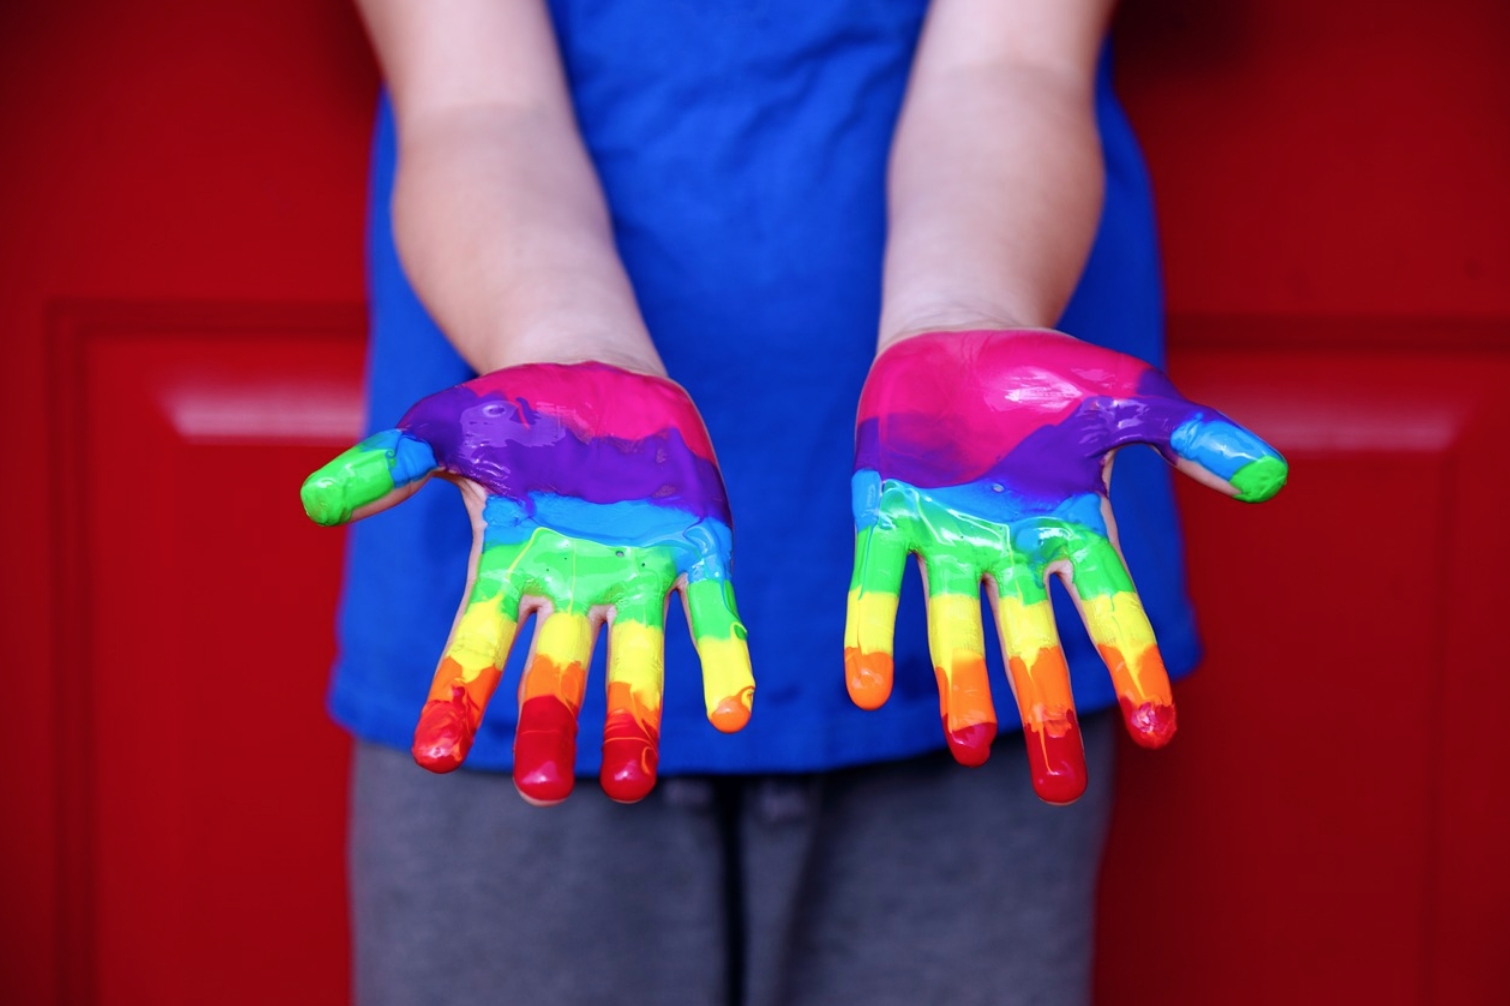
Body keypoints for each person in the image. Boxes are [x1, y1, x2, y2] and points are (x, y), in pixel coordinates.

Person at [301, 1, 1285, 1004]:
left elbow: (1011, 67)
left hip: (981, 583)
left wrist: (961, 324)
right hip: (535, 599)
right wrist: (566, 358)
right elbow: (477, 105)